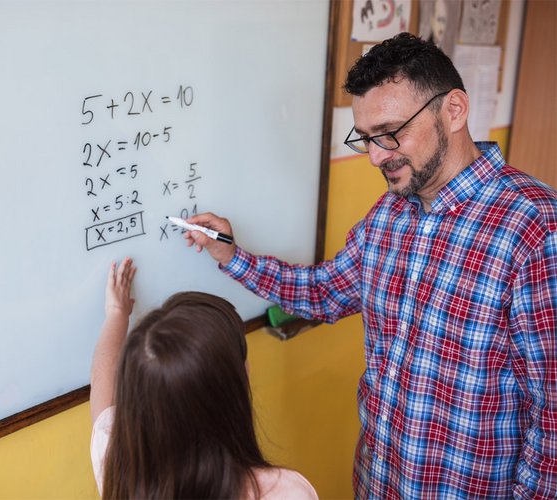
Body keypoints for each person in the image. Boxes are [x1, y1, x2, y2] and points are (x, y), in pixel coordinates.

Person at [183, 33, 557, 498]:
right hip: (378, 484)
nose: (378, 156)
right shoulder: (389, 215)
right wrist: (232, 255)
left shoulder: (535, 227)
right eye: (366, 139)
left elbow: (553, 418)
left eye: (390, 132)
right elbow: (324, 290)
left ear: (454, 110)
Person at [90, 257, 319, 499]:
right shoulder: (283, 491)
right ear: (237, 383)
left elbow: (101, 378)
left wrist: (116, 314)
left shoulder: (119, 469)